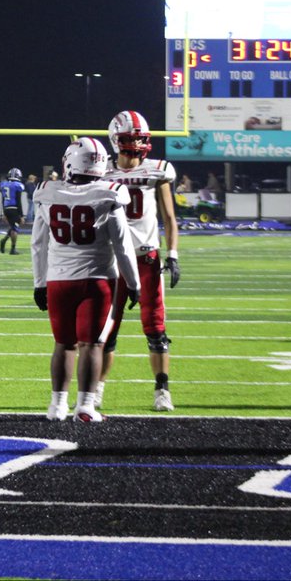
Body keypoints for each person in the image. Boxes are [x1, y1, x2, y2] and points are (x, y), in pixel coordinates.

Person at [32, 137, 140, 423]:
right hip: (98, 281)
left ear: (70, 162)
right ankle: (85, 406)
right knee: (92, 345)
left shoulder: (46, 192)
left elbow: (38, 245)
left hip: (58, 281)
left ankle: (56, 406)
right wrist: (134, 283)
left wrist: (39, 283)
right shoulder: (110, 193)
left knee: (63, 344)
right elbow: (123, 246)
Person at [101, 111, 181, 412]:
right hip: (112, 262)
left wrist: (173, 255)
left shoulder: (157, 170)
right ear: (115, 140)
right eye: (129, 137)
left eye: (139, 137)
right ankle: (95, 392)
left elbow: (170, 218)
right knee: (106, 331)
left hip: (146, 259)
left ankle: (162, 389)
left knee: (156, 329)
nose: (135, 143)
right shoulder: (101, 171)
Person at [0, 167, 27, 255]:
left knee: (13, 227)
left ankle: (4, 240)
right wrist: (21, 215)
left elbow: (3, 200)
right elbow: (18, 201)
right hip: (14, 208)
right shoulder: (18, 185)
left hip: (7, 208)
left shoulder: (4, 184)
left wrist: (4, 213)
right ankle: (12, 249)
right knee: (15, 229)